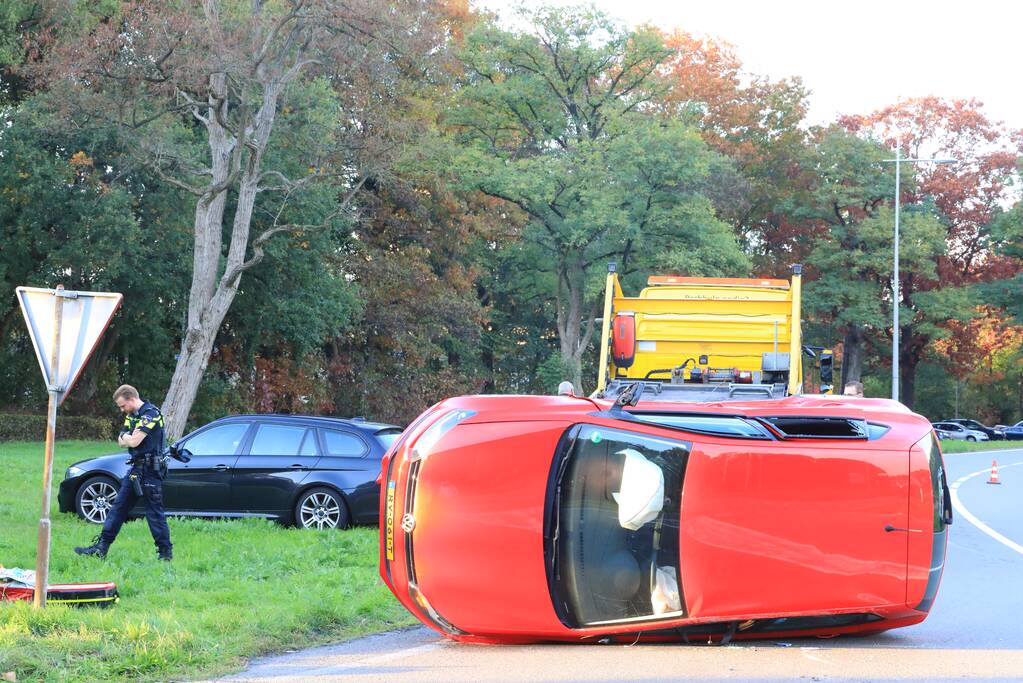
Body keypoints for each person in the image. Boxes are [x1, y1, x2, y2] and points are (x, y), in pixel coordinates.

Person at [75, 385, 173, 561]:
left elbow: (133, 441)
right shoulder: (132, 416)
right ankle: (101, 548)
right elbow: (121, 439)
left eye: (122, 405)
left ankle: (165, 554)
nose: (122, 410)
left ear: (131, 399)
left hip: (151, 470)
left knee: (154, 513)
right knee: (118, 508)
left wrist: (129, 439)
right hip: (136, 469)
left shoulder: (151, 414)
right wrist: (128, 438)